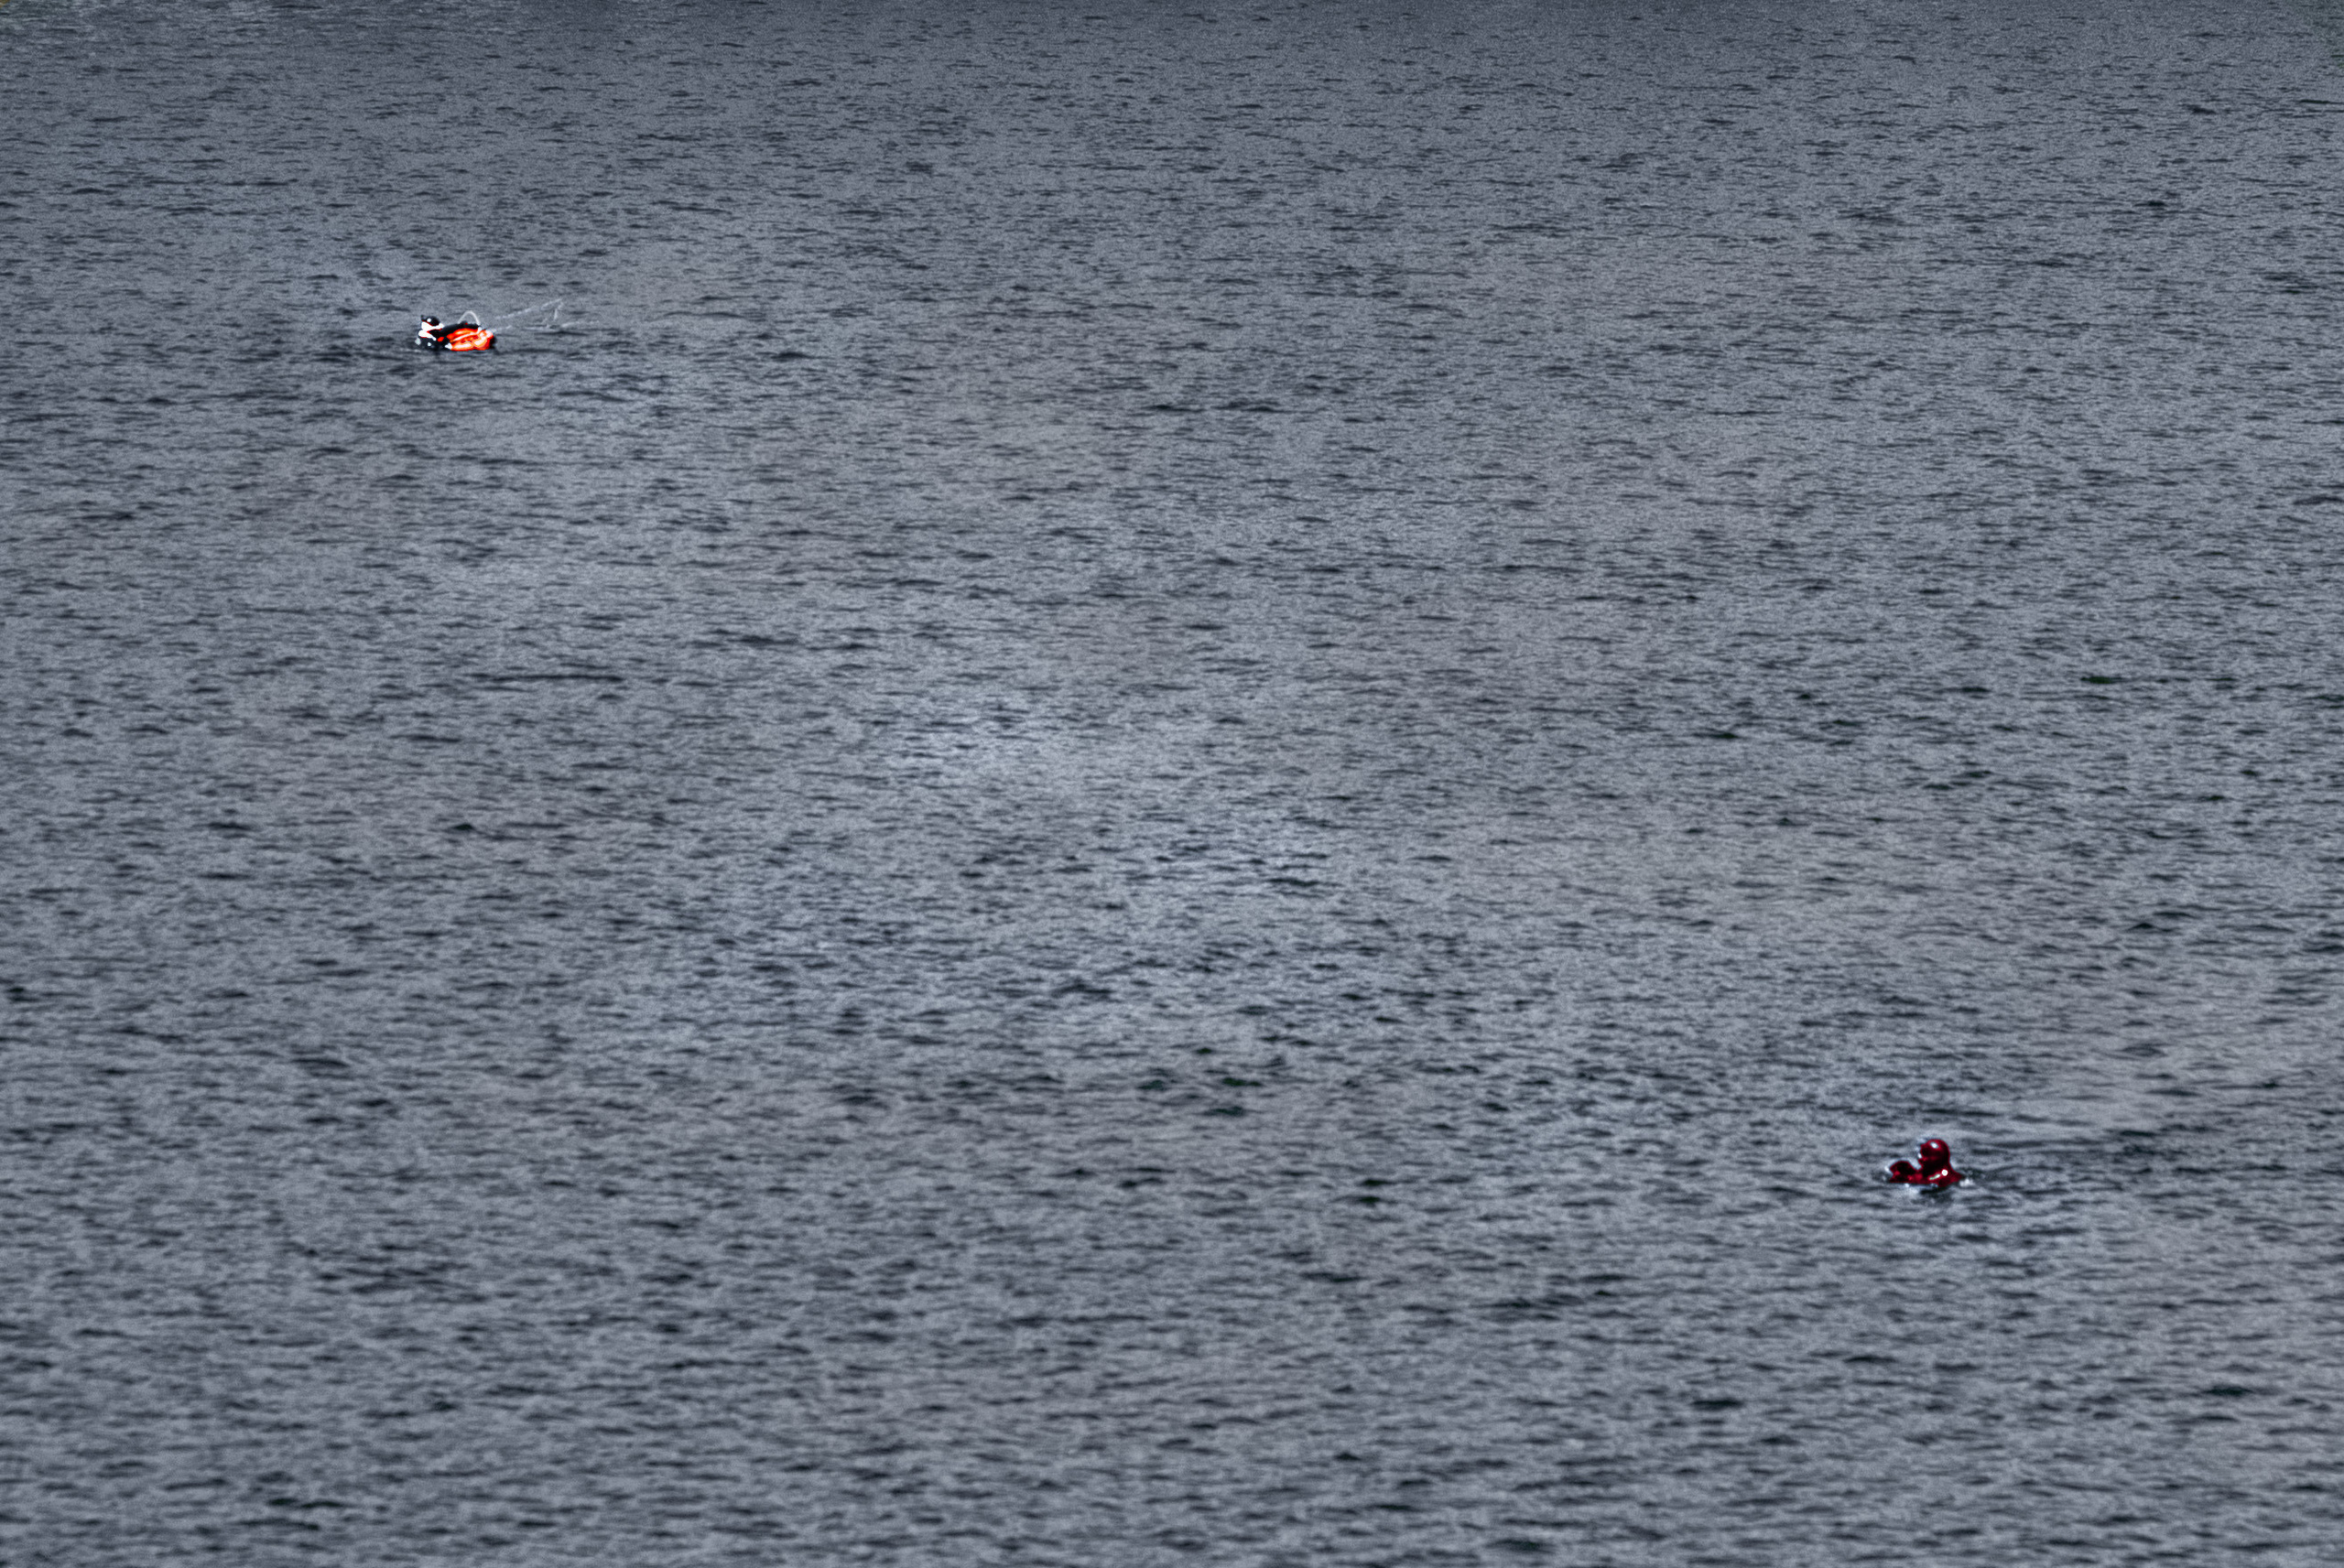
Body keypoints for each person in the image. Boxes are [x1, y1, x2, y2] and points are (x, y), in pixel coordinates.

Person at [1886, 1137, 1963, 1188]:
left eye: (1925, 1155)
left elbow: (1932, 1179)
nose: (1920, 1159)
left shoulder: (1945, 1177)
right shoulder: (1927, 1171)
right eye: (1922, 1154)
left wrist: (1908, 1179)